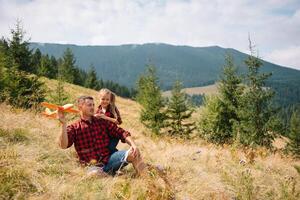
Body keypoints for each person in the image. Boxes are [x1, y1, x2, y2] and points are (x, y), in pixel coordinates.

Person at [57, 95, 146, 176]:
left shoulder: (101, 121)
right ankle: (112, 176)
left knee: (133, 153)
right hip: (92, 167)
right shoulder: (75, 127)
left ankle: (148, 180)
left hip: (110, 160)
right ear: (80, 107)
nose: (92, 107)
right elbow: (63, 145)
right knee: (94, 174)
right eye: (89, 105)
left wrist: (134, 145)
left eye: (93, 105)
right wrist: (63, 124)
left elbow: (121, 132)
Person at [94, 89, 121, 153]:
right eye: (103, 99)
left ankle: (123, 157)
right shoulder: (98, 110)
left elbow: (118, 122)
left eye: (107, 99)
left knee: (110, 148)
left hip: (114, 135)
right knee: (104, 149)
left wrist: (105, 117)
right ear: (99, 99)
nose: (105, 101)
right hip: (104, 136)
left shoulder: (113, 108)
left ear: (110, 100)